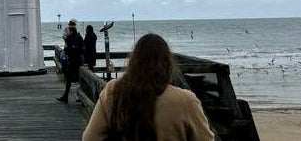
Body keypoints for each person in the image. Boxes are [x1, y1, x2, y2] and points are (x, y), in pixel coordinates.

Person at [82, 33, 215, 141]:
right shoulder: (185, 100)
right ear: (167, 63)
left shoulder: (113, 91)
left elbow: (89, 138)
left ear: (133, 62)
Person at [57, 19, 83, 103]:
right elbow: (68, 49)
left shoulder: (77, 38)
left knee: (79, 80)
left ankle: (79, 97)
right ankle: (66, 96)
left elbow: (75, 49)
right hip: (72, 61)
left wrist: (69, 47)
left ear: (71, 30)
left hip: (76, 61)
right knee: (69, 79)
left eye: (69, 30)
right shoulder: (72, 37)